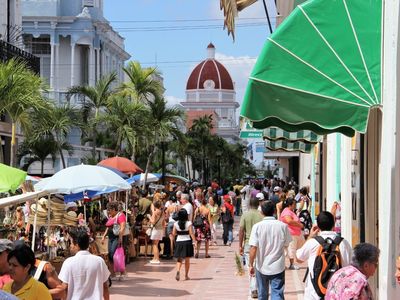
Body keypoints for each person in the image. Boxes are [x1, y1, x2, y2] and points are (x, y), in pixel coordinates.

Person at [296, 211, 352, 300]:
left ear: (318, 226)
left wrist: (310, 236)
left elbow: (298, 258)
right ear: (333, 224)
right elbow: (349, 265)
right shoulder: (344, 243)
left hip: (314, 293)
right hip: (337, 293)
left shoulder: (312, 242)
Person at [249, 201, 292, 300]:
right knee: (277, 294)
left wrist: (251, 264)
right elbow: (287, 244)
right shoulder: (282, 226)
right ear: (273, 211)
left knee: (262, 295)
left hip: (261, 266)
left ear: (262, 212)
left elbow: (253, 248)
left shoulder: (257, 227)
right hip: (278, 266)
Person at [59, 227, 110, 300]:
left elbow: (64, 288)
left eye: (71, 243)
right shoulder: (99, 261)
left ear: (77, 245)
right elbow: (105, 286)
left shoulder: (68, 263)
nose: (70, 246)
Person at [239, 197, 263, 299]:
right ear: (258, 204)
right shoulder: (261, 215)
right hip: (260, 245)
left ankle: (254, 289)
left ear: (249, 204)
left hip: (249, 245)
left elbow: (241, 231)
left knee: (251, 266)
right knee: (259, 267)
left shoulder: (245, 215)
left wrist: (240, 245)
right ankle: (259, 288)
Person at [101, 201, 127, 278]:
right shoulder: (110, 216)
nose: (108, 211)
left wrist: (120, 238)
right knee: (110, 255)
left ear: (114, 209)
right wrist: (103, 236)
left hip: (117, 237)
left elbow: (122, 227)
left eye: (109, 210)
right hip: (111, 237)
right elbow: (108, 228)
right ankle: (113, 273)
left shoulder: (121, 215)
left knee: (114, 254)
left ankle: (122, 272)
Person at [279, 197, 304, 270]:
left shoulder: (291, 211)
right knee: (291, 249)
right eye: (294, 204)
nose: (295, 205)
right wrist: (299, 225)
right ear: (290, 205)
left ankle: (293, 262)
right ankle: (292, 264)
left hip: (296, 233)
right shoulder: (286, 211)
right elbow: (289, 221)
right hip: (291, 233)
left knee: (295, 248)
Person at [173, 209, 196, 281]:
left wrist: (179, 233)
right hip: (187, 242)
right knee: (187, 260)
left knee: (179, 259)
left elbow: (174, 233)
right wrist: (194, 241)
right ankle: (186, 275)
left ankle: (178, 271)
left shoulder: (176, 224)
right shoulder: (189, 223)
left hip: (179, 241)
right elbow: (191, 233)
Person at [148, 199, 165, 264]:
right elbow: (163, 223)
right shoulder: (162, 212)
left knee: (154, 245)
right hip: (160, 229)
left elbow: (153, 221)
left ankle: (157, 259)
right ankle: (155, 258)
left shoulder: (155, 212)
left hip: (156, 229)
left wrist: (149, 217)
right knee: (156, 244)